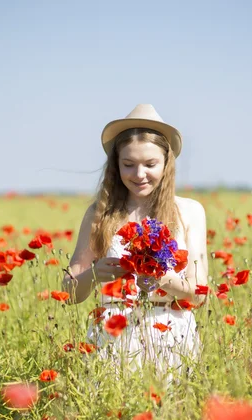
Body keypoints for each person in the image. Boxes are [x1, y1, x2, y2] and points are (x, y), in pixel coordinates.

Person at [62, 104, 208, 374]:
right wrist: (94, 274)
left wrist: (163, 279)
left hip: (173, 338)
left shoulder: (189, 211)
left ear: (167, 164)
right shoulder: (100, 213)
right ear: (116, 166)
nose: (139, 175)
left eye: (150, 164)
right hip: (113, 337)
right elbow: (69, 292)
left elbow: (199, 294)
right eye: (128, 165)